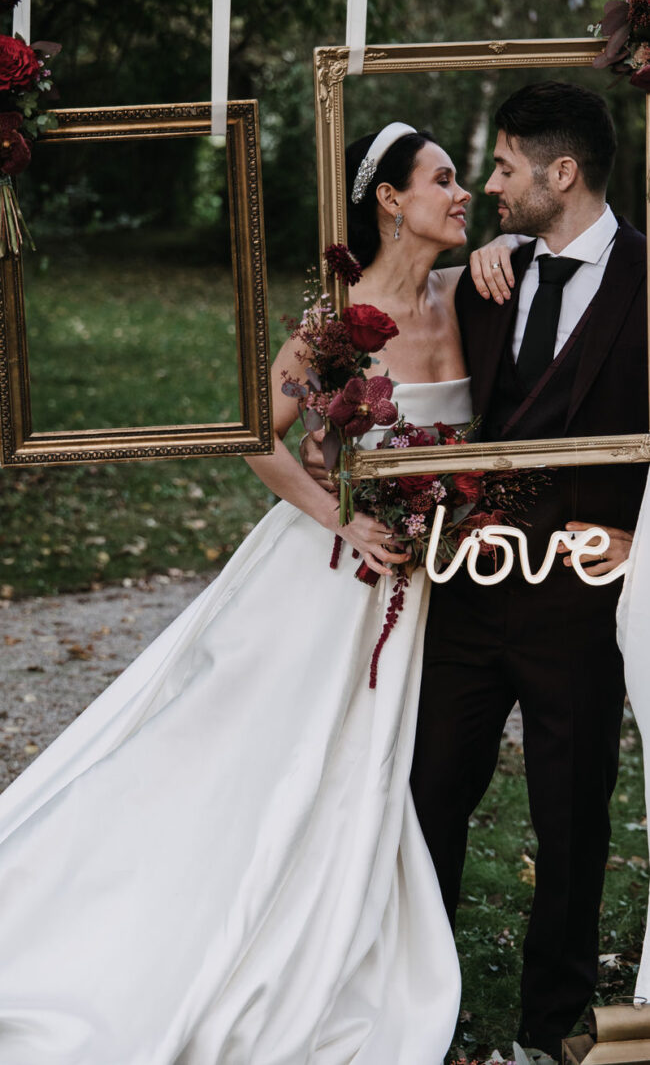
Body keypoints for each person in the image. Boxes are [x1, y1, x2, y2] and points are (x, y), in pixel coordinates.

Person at [0, 122, 498, 1065]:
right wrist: (340, 517)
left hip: (424, 580)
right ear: (391, 199)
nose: (463, 192)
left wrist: (511, 243)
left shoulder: (465, 294)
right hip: (329, 574)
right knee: (255, 753)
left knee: (372, 768)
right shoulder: (339, 318)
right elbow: (257, 435)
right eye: (443, 178)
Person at [409, 82, 648, 1058]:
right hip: (468, 594)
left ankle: (547, 1026)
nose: (488, 186)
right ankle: (418, 1001)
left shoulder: (644, 280)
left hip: (580, 604)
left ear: (562, 173)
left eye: (505, 166)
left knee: (568, 818)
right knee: (426, 801)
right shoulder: (486, 277)